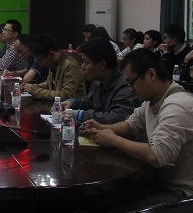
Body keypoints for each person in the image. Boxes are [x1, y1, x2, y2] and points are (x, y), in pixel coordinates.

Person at [81, 48, 193, 210]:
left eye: (131, 82)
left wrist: (114, 140)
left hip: (180, 193)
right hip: (155, 181)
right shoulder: (152, 100)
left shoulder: (177, 105)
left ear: (151, 75)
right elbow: (131, 125)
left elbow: (157, 155)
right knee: (101, 200)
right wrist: (103, 128)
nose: (130, 89)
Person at [62, 37, 141, 124]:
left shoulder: (126, 83)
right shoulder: (98, 81)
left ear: (102, 64)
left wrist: (80, 115)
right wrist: (73, 103)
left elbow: (117, 118)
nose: (82, 66)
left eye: (86, 62)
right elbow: (89, 103)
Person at [22, 33, 86, 101]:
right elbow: (49, 83)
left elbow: (67, 95)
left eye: (40, 60)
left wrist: (37, 91)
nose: (40, 64)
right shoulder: (53, 62)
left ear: (51, 54)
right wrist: (31, 87)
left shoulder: (70, 65)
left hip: (73, 106)